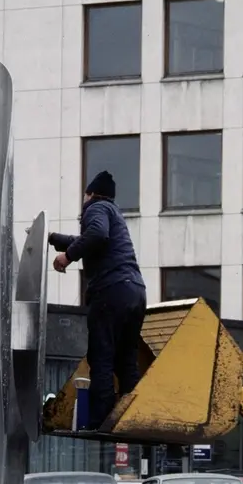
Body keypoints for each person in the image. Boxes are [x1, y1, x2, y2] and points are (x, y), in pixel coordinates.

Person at [48, 170, 148, 432]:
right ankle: (129, 418)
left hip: (110, 291)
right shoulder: (114, 213)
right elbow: (94, 239)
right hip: (134, 291)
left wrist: (67, 256)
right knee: (126, 359)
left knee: (101, 356)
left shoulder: (96, 207)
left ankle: (101, 420)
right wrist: (54, 240)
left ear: (90, 193)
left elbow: (96, 235)